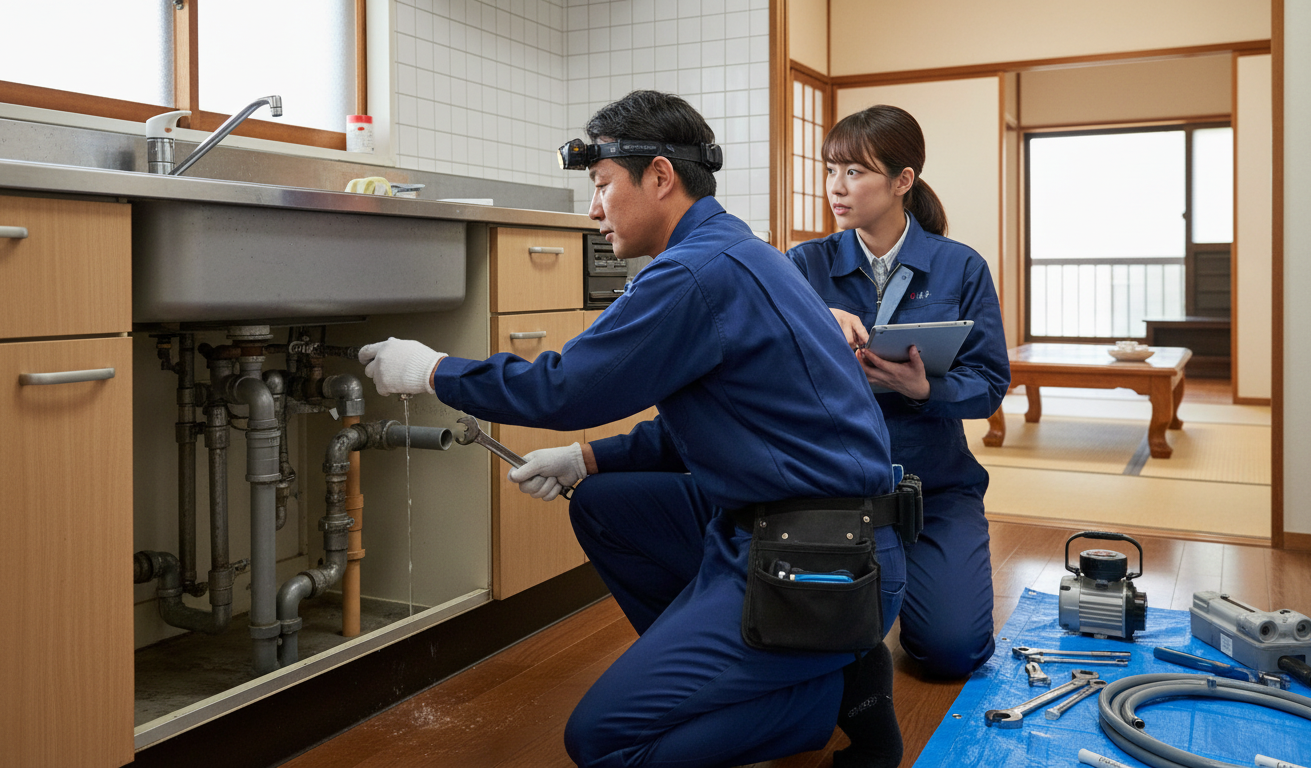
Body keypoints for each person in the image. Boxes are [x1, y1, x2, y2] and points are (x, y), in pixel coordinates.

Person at [359, 91, 909, 768]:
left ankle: (832, 694)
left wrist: (433, 370)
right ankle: (769, 671)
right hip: (820, 532)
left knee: (605, 741)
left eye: (601, 186)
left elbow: (564, 386)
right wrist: (585, 460)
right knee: (605, 504)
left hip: (818, 560)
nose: (593, 210)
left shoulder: (694, 274)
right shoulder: (739, 252)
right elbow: (716, 426)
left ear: (658, 177)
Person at [787, 105, 1010, 679]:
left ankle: (907, 579)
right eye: (830, 170)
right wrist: (817, 316)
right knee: (809, 654)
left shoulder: (960, 267)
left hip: (934, 487)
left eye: (855, 172)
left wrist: (926, 387)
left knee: (952, 652)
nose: (836, 188)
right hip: (833, 490)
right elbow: (769, 371)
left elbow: (989, 385)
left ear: (902, 181)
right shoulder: (802, 266)